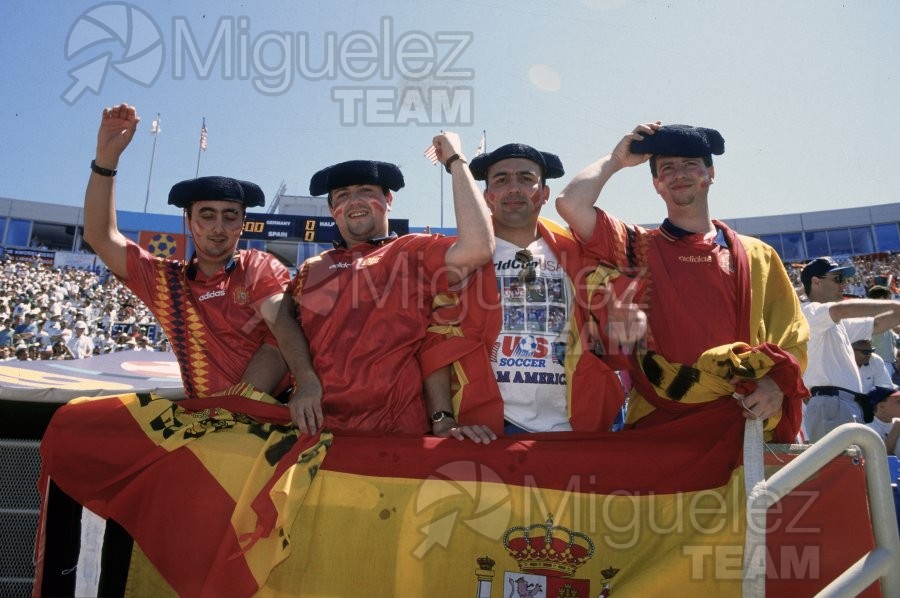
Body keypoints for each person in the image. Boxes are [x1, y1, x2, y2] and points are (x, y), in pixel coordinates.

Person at [36, 103, 322, 596]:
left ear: (242, 226)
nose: (217, 227)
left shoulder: (257, 266)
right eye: (206, 216)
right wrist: (106, 159)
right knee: (72, 428)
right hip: (203, 426)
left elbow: (280, 321)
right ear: (188, 222)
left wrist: (309, 382)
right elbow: (101, 237)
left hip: (258, 427)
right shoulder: (165, 281)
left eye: (229, 218)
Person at [555, 123, 809, 442]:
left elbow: (792, 337)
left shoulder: (758, 253)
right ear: (656, 183)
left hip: (744, 418)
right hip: (660, 428)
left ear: (711, 173)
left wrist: (776, 385)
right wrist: (617, 159)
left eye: (690, 164)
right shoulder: (634, 247)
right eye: (667, 168)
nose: (680, 174)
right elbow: (570, 204)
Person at [273, 135, 494, 436]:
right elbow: (280, 325)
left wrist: (456, 161)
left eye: (366, 191)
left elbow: (480, 246)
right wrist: (305, 379)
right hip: (319, 433)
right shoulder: (312, 269)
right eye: (342, 195)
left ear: (388, 200)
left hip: (398, 435)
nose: (355, 201)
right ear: (331, 210)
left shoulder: (412, 251)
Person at [418, 143, 638, 443]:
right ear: (486, 197)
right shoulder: (461, 258)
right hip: (489, 428)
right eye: (501, 180)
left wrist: (625, 328)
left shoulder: (580, 253)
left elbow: (616, 339)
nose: (513, 189)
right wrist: (443, 420)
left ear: (544, 194)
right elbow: (438, 343)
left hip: (580, 425)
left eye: (526, 179)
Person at [800, 256, 900, 441]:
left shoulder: (834, 321)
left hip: (842, 403)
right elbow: (840, 310)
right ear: (815, 282)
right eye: (837, 279)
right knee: (837, 469)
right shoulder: (807, 310)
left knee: (849, 468)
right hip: (830, 403)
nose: (843, 285)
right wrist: (895, 305)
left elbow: (876, 325)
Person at [867, 285, 899, 381]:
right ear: (882, 298)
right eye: (889, 298)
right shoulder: (872, 314)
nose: (891, 301)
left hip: (887, 363)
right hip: (880, 364)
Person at [866, 386, 900, 457]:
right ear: (882, 407)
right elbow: (882, 456)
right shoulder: (868, 429)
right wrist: (897, 426)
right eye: (898, 402)